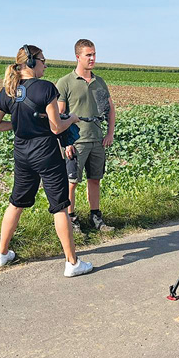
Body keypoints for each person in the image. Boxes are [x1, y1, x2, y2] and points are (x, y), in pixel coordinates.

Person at [0, 44, 93, 278]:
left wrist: (18, 124)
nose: (45, 64)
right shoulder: (46, 88)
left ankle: (2, 253)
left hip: (21, 152)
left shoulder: (8, 90)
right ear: (32, 63)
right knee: (60, 206)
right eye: (43, 60)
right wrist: (72, 118)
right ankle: (72, 263)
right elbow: (56, 127)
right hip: (45, 152)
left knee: (17, 202)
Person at [56, 39, 116, 233]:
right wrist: (66, 143)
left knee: (95, 179)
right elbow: (59, 115)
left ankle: (96, 217)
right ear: (77, 57)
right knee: (71, 182)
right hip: (76, 141)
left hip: (97, 138)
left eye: (94, 54)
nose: (92, 58)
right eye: (88, 55)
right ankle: (71, 219)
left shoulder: (99, 82)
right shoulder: (66, 82)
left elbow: (110, 109)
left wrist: (109, 133)